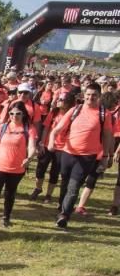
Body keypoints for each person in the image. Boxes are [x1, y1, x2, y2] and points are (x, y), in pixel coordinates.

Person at [49, 81, 115, 229]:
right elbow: (57, 129)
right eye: (88, 95)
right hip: (68, 153)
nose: (90, 98)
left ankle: (64, 215)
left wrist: (105, 156)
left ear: (99, 96)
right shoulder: (75, 110)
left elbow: (107, 136)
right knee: (65, 184)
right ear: (84, 95)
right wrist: (51, 141)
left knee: (74, 187)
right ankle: (62, 208)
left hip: (87, 157)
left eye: (94, 96)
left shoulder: (104, 114)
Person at [0, 101, 37, 234]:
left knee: (10, 193)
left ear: (24, 114)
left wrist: (29, 158)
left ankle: (6, 217)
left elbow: (32, 146)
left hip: (17, 169)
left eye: (18, 114)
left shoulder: (29, 129)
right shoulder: (2, 127)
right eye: (11, 113)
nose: (14, 116)